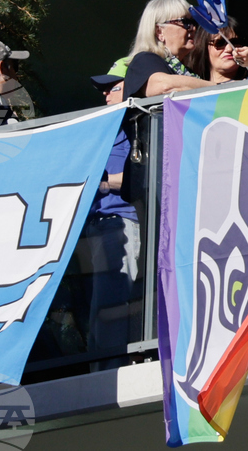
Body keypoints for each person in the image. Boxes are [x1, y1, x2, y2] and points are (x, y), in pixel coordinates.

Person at [82, 57, 142, 357]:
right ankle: (101, 365)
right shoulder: (108, 127)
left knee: (115, 301)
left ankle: (114, 366)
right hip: (98, 224)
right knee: (99, 305)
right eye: (103, 90)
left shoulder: (137, 126)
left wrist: (101, 183)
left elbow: (135, 177)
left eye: (113, 88)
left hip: (121, 222)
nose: (106, 94)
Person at [122, 0, 208, 98]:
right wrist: (216, 87)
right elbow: (163, 86)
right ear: (159, 32)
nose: (193, 28)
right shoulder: (143, 60)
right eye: (185, 22)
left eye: (193, 22)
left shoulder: (187, 71)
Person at [188, 17, 248, 84]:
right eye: (220, 43)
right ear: (204, 49)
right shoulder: (191, 87)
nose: (229, 49)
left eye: (235, 42)